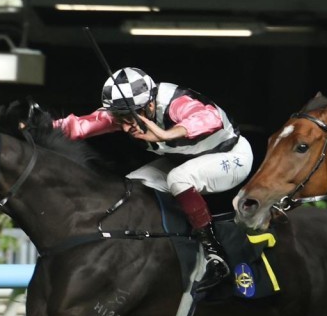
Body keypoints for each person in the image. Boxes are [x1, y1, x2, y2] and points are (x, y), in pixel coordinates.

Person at [52, 67, 253, 292]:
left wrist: (166, 134)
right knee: (130, 187)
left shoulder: (174, 101)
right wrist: (35, 127)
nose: (126, 125)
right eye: (120, 118)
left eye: (130, 116)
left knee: (179, 178)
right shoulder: (130, 109)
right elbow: (79, 126)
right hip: (183, 160)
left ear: (149, 105)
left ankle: (214, 254)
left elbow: (210, 118)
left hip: (231, 156)